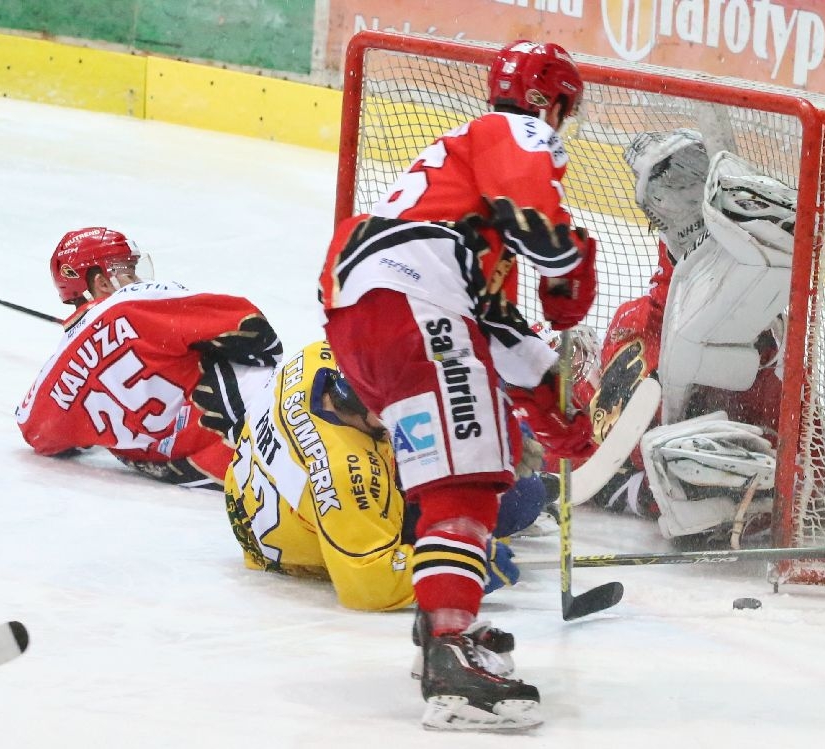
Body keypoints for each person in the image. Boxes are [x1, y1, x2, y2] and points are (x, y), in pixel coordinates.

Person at [318, 40, 597, 730]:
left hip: (361, 311)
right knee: (465, 484)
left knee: (462, 466)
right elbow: (538, 221)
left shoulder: (455, 211)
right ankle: (450, 661)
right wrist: (565, 263)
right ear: (549, 101)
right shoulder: (513, 128)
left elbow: (496, 327)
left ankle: (442, 626)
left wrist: (557, 411)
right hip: (414, 296)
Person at [223, 340, 545, 615]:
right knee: (520, 500)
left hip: (259, 499)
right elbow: (369, 583)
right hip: (309, 537)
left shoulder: (319, 357)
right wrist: (463, 563)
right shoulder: (347, 476)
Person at [582, 130, 795, 544]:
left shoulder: (763, 341)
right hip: (641, 459)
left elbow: (802, 475)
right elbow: (597, 444)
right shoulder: (636, 324)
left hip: (710, 483)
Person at [16, 226, 283, 489]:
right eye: (128, 271)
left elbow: (39, 435)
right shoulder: (134, 302)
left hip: (222, 468)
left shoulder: (50, 383)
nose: (137, 280)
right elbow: (254, 331)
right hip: (267, 414)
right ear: (102, 282)